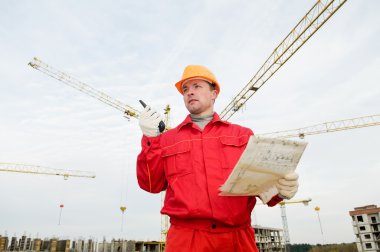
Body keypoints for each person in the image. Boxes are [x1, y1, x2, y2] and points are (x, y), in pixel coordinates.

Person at [136, 65, 299, 252]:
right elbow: (151, 184)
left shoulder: (242, 136)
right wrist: (150, 139)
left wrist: (281, 190)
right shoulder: (167, 139)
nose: (189, 92)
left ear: (214, 93)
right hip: (186, 239)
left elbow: (260, 188)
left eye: (196, 86)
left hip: (237, 238)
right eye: (185, 89)